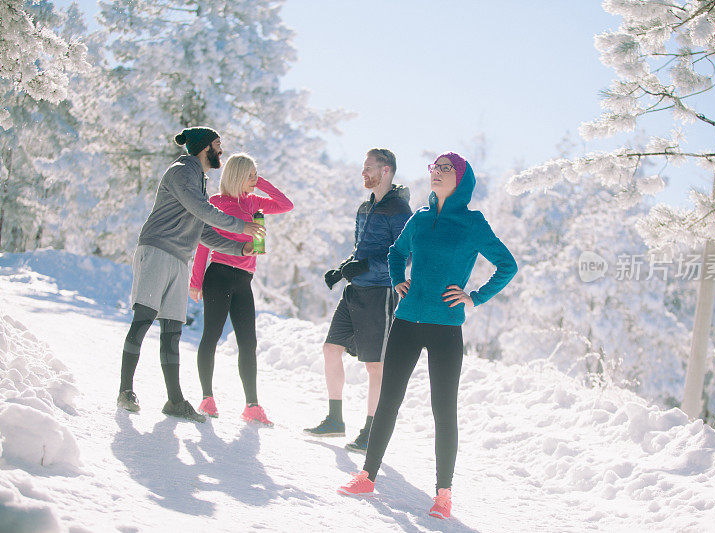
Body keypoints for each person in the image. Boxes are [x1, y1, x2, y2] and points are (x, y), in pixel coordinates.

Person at [336, 152, 517, 519]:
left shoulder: (472, 222)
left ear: (462, 178)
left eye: (445, 169)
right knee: (388, 401)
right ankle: (367, 475)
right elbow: (395, 251)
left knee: (443, 410)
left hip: (446, 327)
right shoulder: (419, 218)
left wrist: (474, 296)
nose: (436, 173)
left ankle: (443, 494)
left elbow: (507, 265)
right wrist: (398, 278)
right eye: (434, 168)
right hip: (406, 320)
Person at [116, 127, 265, 422]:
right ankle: (125, 391)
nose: (221, 151)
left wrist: (240, 250)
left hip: (179, 259)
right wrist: (240, 227)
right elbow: (201, 210)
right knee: (144, 319)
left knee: (173, 328)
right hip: (157, 250)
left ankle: (174, 401)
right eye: (217, 145)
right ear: (204, 148)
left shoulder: (199, 179)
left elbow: (204, 230)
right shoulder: (182, 171)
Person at [304, 148, 412, 453]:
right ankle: (335, 420)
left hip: (380, 293)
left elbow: (406, 255)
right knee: (330, 349)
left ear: (386, 170)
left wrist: (366, 267)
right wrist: (342, 270)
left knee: (375, 367)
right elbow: (360, 251)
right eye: (363, 168)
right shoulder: (365, 208)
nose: (363, 173)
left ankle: (371, 431)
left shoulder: (401, 212)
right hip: (354, 291)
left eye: (369, 168)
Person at [189, 153, 293, 425]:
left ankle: (252, 405)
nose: (253, 180)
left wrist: (262, 184)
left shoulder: (253, 201)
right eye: (249, 176)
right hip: (219, 274)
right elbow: (203, 243)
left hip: (244, 279)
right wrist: (195, 280)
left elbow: (285, 205)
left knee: (248, 342)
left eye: (255, 175)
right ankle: (207, 398)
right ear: (236, 176)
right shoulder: (215, 203)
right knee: (211, 335)